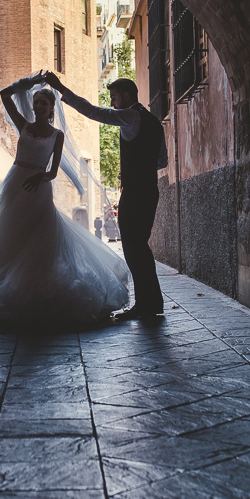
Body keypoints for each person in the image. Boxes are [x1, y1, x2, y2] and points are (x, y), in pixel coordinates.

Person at [0, 72, 130, 327]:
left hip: (39, 187)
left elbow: (53, 170)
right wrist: (26, 84)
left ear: (52, 109)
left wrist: (42, 175)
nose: (39, 107)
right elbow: (5, 97)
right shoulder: (24, 126)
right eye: (36, 102)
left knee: (40, 237)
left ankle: (35, 288)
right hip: (15, 183)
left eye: (44, 103)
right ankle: (1, 282)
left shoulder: (56, 135)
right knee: (9, 233)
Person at [45, 73, 167, 320]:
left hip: (134, 193)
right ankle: (151, 301)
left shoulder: (131, 116)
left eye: (114, 97)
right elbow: (161, 161)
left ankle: (146, 304)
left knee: (134, 248)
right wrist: (137, 168)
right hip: (150, 190)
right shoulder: (154, 122)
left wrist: (60, 88)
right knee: (139, 246)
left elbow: (93, 112)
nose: (112, 103)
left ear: (126, 96)